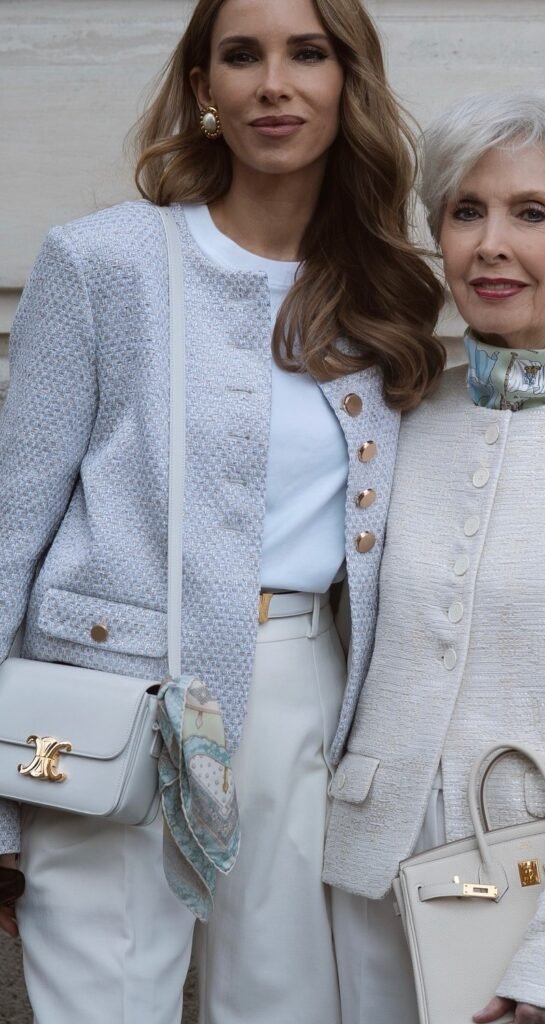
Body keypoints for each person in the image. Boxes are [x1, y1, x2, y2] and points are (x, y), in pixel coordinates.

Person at [0, 1, 444, 1021]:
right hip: (110, 692)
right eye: (240, 56)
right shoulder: (102, 261)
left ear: (347, 83)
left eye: (307, 54)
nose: (272, 84)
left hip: (300, 695)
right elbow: (12, 532)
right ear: (204, 89)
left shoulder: (380, 295)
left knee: (281, 1006)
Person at [324, 88, 545, 1024]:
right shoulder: (395, 411)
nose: (489, 243)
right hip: (364, 882)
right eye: (464, 211)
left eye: (532, 213)